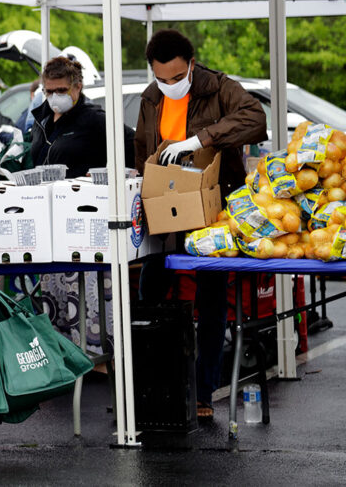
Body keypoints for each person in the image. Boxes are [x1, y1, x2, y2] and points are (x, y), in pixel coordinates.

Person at [134, 29, 266, 421]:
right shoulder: (150, 97)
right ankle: (156, 388)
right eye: (162, 78)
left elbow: (255, 118)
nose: (170, 85)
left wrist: (199, 140)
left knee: (211, 301)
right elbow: (143, 151)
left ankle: (204, 392)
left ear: (191, 65)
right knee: (151, 291)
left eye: (177, 77)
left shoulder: (219, 87)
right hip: (165, 212)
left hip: (214, 211)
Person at [29, 56, 134, 178]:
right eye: (50, 91)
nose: (55, 96)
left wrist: (116, 176)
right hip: (41, 193)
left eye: (61, 90)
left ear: (78, 87)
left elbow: (132, 142)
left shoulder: (93, 119)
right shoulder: (41, 119)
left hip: (78, 193)